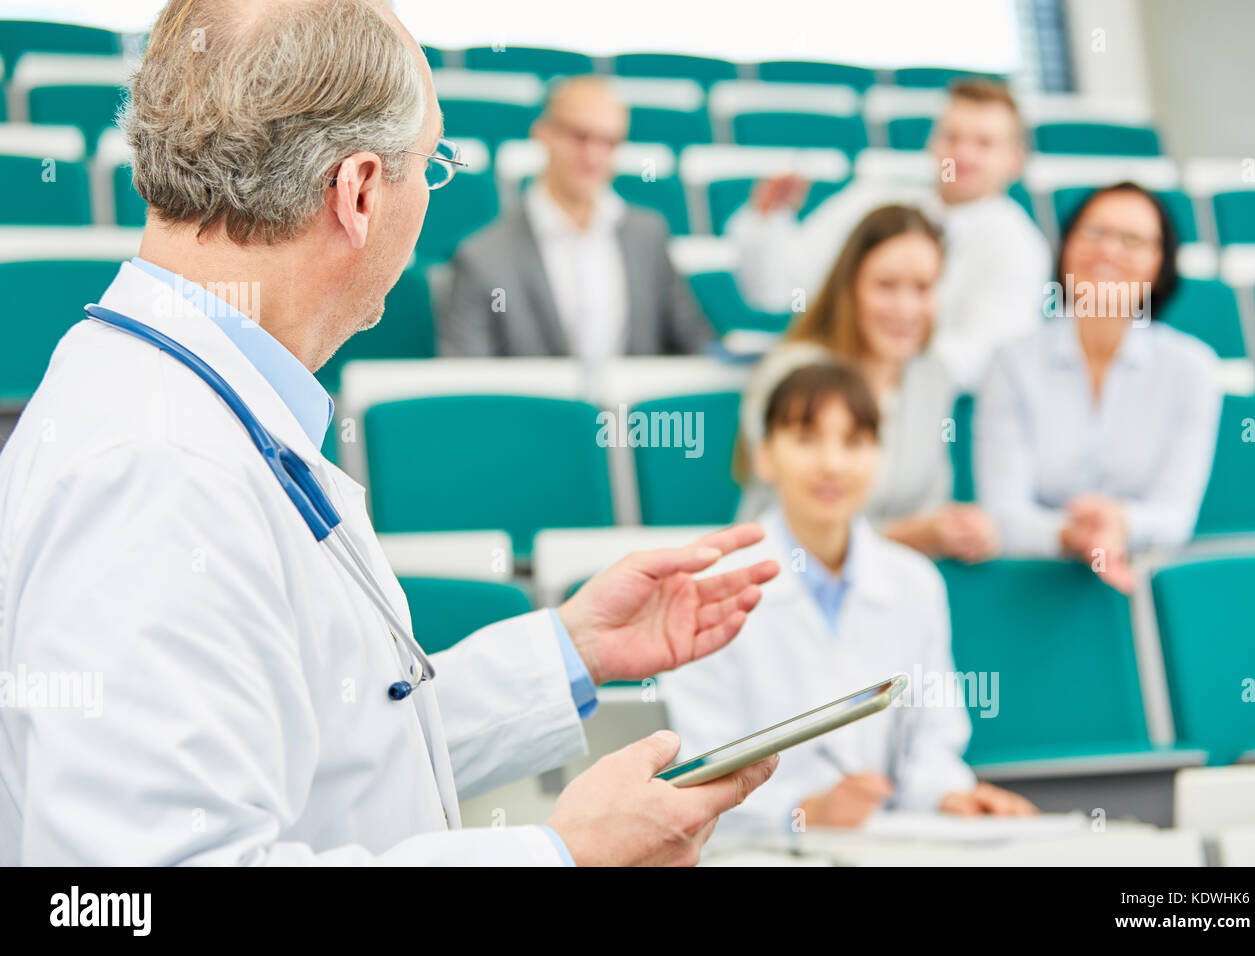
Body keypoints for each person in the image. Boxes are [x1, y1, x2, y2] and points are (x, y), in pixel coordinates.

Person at [0, 0, 782, 867]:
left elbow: (339, 751)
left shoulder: (185, 418)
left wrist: (571, 650)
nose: (431, 193)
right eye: (432, 166)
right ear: (361, 191)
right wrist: (562, 856)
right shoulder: (158, 473)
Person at [663, 361, 1035, 831]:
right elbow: (700, 771)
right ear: (764, 456)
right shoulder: (714, 589)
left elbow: (933, 740)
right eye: (806, 439)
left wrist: (950, 796)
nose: (833, 464)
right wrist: (800, 811)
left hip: (884, 845)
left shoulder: (914, 583)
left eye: (855, 442)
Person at [976, 182, 1222, 594]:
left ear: (1159, 264)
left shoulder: (1192, 369)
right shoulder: (1011, 363)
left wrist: (1120, 524)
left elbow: (1175, 516)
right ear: (1066, 247)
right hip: (1027, 585)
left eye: (1132, 240)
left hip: (1142, 583)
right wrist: (1077, 537)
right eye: (1094, 232)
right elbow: (1001, 512)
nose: (1109, 251)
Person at [727, 80, 1049, 390]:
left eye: (984, 143)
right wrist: (770, 220)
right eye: (952, 138)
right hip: (835, 397)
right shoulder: (871, 202)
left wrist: (874, 370)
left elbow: (986, 358)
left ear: (1014, 160)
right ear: (932, 144)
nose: (962, 156)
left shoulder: (1020, 247)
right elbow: (776, 290)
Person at [738, 204, 998, 564]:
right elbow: (799, 526)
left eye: (922, 288)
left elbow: (930, 501)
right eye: (886, 286)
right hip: (781, 578)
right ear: (850, 287)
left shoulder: (932, 377)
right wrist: (908, 536)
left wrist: (957, 531)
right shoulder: (794, 373)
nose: (905, 308)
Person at [439, 74, 712, 363]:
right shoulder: (482, 257)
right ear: (544, 134)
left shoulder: (650, 236)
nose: (593, 155)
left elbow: (696, 340)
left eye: (609, 142)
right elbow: (468, 382)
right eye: (580, 136)